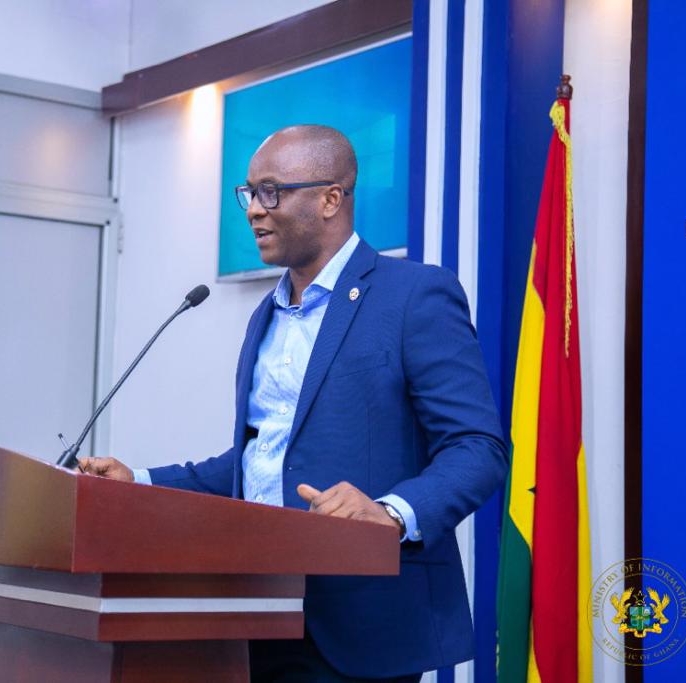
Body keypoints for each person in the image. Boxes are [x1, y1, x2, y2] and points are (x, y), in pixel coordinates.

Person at [79, 125, 507, 682]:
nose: (255, 210)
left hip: (362, 624)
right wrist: (137, 481)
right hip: (253, 614)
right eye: (250, 193)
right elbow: (262, 460)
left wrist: (390, 513)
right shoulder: (266, 315)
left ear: (331, 198)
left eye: (272, 191)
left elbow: (478, 448)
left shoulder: (414, 295)